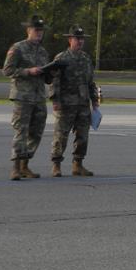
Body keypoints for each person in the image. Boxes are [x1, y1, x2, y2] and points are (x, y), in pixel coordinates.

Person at [2, 15, 52, 180]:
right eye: (36, 30)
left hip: (38, 97)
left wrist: (51, 73)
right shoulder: (18, 48)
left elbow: (46, 77)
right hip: (23, 96)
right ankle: (16, 167)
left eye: (41, 31)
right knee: (21, 131)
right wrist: (28, 71)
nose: (39, 33)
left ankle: (25, 165)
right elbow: (7, 70)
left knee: (36, 133)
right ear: (28, 30)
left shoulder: (43, 52)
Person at [49, 25, 101, 177]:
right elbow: (54, 80)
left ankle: (78, 164)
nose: (80, 41)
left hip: (83, 104)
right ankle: (56, 165)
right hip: (66, 104)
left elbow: (90, 81)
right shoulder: (61, 58)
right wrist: (55, 99)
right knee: (61, 135)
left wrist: (94, 100)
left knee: (83, 135)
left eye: (82, 39)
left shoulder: (85, 58)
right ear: (70, 40)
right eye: (77, 39)